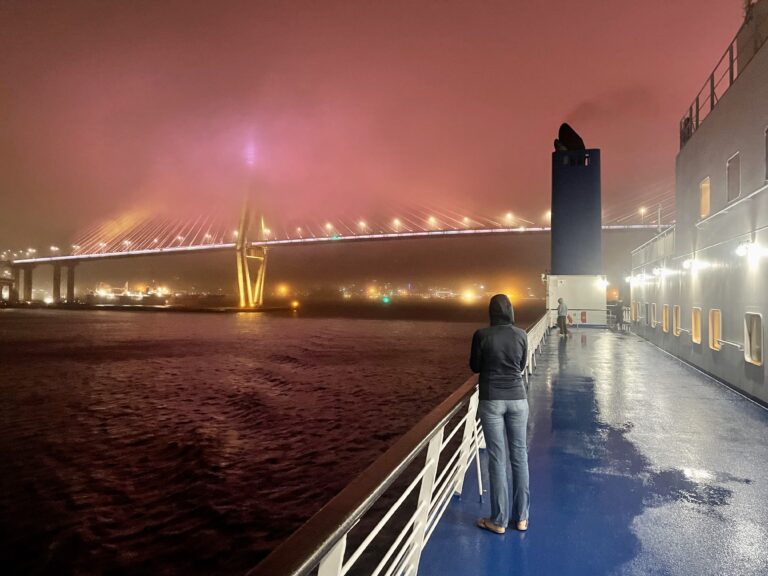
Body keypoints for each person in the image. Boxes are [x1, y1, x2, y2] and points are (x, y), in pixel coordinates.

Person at [470, 294, 530, 534]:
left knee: (497, 458)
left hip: (491, 399)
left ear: (491, 312)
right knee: (520, 457)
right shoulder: (522, 335)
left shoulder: (482, 335)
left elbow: (475, 366)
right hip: (518, 399)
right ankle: (522, 518)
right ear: (511, 311)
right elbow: (522, 365)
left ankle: (499, 520)